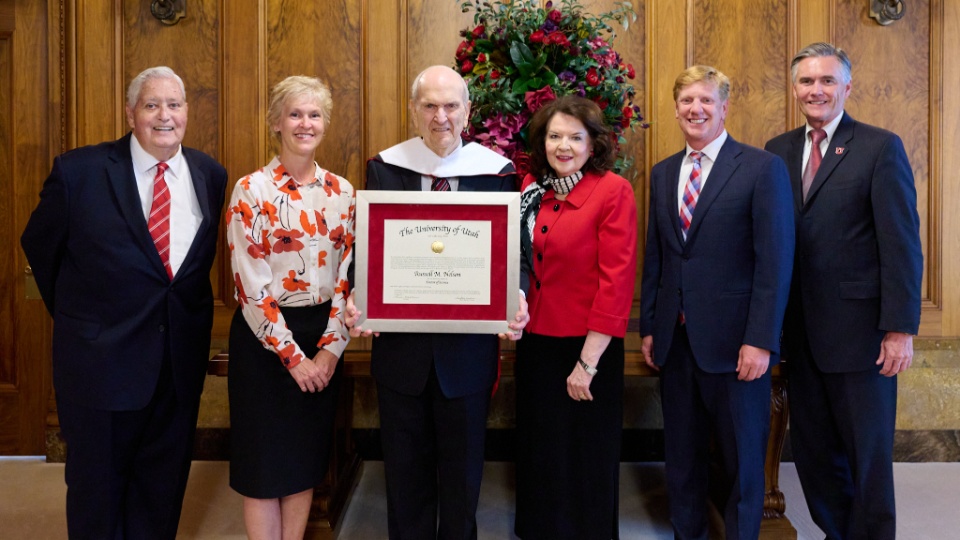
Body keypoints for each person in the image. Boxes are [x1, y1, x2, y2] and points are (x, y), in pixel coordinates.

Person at [20, 66, 227, 539]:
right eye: (152, 105)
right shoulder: (79, 172)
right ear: (131, 113)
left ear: (187, 113)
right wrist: (86, 320)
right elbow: (41, 248)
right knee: (98, 495)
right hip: (99, 367)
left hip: (176, 368)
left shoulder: (209, 175)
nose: (164, 116)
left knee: (161, 493)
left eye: (174, 105)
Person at [346, 65, 527, 540]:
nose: (440, 116)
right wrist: (356, 294)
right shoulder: (384, 166)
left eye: (451, 106)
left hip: (467, 355)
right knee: (405, 478)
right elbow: (367, 248)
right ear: (413, 110)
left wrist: (518, 295)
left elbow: (515, 253)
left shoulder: (497, 174)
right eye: (429, 105)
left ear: (467, 112)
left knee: (463, 477)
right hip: (401, 354)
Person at [764, 43, 922, 540]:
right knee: (814, 456)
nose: (817, 90)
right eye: (807, 82)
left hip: (862, 338)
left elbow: (901, 245)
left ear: (847, 88)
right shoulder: (777, 151)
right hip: (799, 335)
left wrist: (900, 329)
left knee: (867, 458)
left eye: (827, 81)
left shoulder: (879, 146)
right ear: (794, 90)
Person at [639, 65, 794, 540]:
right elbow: (657, 257)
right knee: (682, 455)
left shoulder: (761, 168)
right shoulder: (664, 172)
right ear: (676, 108)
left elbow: (775, 261)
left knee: (741, 459)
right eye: (687, 100)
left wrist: (761, 340)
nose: (696, 109)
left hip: (737, 346)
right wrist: (650, 326)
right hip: (676, 340)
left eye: (706, 100)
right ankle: (689, 533)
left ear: (725, 107)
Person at [224, 75, 355, 539]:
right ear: (276, 123)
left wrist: (329, 352)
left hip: (322, 334)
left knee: (303, 462)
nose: (305, 123)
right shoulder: (251, 190)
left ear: (325, 123)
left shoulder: (344, 192)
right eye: (295, 114)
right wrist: (296, 360)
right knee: (263, 469)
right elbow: (250, 287)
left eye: (314, 114)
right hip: (264, 340)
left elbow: (348, 281)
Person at [512, 95, 637, 539]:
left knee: (585, 457)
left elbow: (616, 282)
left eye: (575, 137)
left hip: (588, 348)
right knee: (540, 450)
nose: (563, 146)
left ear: (593, 143)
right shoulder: (531, 189)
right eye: (554, 136)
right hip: (537, 344)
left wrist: (587, 364)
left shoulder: (612, 191)